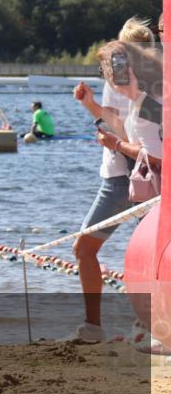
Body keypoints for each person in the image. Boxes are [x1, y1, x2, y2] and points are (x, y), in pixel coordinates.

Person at [65, 27, 161, 344]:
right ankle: (144, 323)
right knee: (150, 256)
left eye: (111, 71)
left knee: (85, 248)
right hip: (137, 182)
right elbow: (127, 126)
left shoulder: (147, 101)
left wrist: (115, 144)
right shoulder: (143, 99)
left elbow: (152, 153)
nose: (109, 79)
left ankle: (97, 327)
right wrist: (93, 109)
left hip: (128, 182)